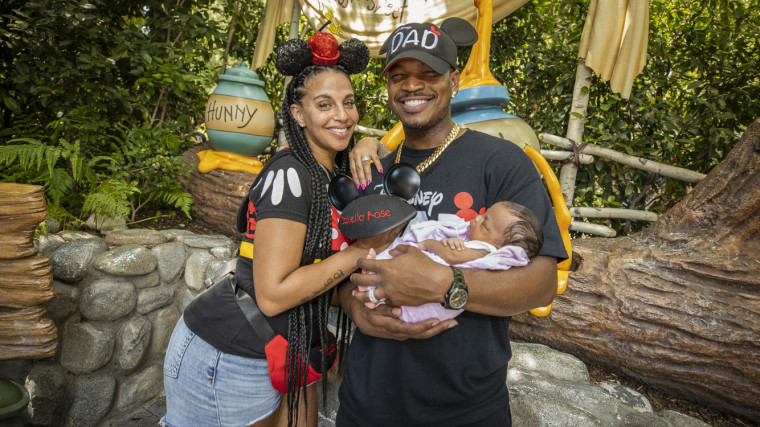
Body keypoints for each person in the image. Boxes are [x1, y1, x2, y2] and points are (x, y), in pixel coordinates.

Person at [335, 18, 569, 426]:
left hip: (465, 409)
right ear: (389, 86)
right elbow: (337, 269)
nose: (411, 86)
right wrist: (355, 310)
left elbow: (542, 283)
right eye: (399, 75)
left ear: (454, 80)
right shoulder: (372, 175)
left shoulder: (502, 162)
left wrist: (447, 284)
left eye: (428, 73)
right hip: (365, 403)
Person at [161, 33, 400, 427]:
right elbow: (272, 296)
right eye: (324, 104)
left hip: (291, 345)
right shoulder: (290, 174)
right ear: (299, 114)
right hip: (229, 353)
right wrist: (360, 252)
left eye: (349, 102)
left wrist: (369, 143)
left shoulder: (333, 172)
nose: (342, 114)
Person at [361, 200, 544, 324]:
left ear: (500, 246)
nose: (477, 218)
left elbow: (453, 257)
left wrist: (428, 243)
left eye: (484, 224)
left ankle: (374, 294)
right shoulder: (478, 242)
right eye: (483, 215)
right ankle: (373, 296)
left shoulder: (486, 249)